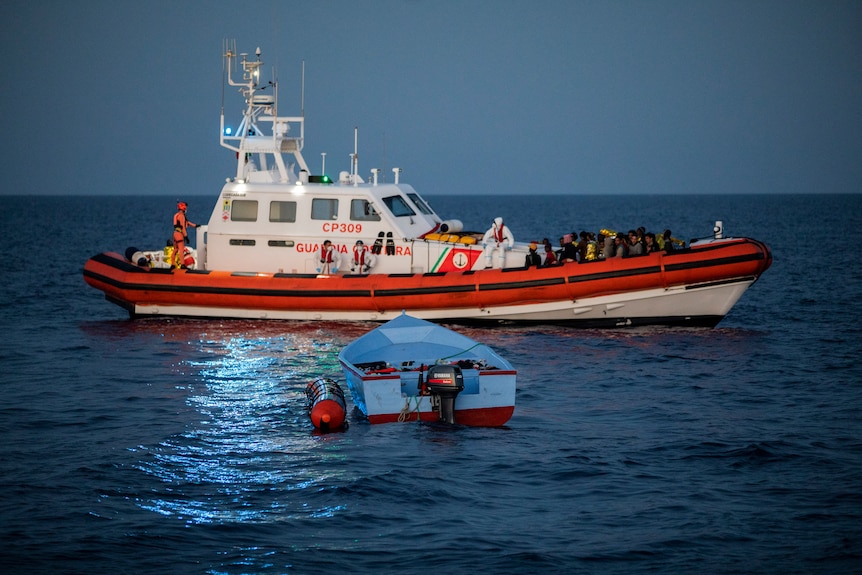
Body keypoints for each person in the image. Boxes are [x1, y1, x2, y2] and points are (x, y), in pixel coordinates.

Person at [172, 201, 199, 268]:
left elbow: (187, 222)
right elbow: (183, 227)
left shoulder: (176, 215)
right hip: (179, 234)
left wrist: (195, 225)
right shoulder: (181, 216)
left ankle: (172, 264)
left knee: (175, 249)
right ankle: (182, 265)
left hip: (175, 233)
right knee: (181, 249)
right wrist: (186, 236)